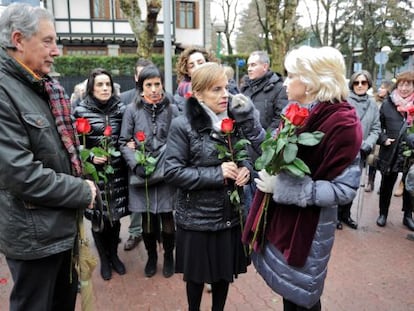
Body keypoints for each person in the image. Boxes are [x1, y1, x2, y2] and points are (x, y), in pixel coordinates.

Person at [244, 46, 362, 310]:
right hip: (286, 223)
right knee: (292, 296)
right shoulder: (301, 111)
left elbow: (344, 190)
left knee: (302, 301)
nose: (285, 81)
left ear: (310, 80)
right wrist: (249, 119)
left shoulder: (342, 124)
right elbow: (273, 150)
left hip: (306, 231)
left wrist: (282, 187)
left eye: (291, 75)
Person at [0, 3, 97, 310]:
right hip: (34, 238)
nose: (56, 50)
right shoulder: (5, 91)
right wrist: (81, 191)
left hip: (57, 229)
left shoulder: (40, 85)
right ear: (18, 40)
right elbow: (21, 174)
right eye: (48, 41)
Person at [164, 62, 264, 311]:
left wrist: (245, 171)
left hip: (228, 216)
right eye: (216, 89)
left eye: (226, 87)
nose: (225, 95)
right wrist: (216, 174)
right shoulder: (182, 125)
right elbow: (172, 172)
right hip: (196, 218)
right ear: (197, 94)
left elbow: (246, 156)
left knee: (223, 275)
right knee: (196, 278)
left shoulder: (232, 121)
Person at [119, 65, 179, 278]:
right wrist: (136, 163)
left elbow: (180, 138)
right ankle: (152, 257)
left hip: (165, 174)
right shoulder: (131, 110)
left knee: (166, 216)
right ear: (140, 87)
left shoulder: (172, 109)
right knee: (147, 219)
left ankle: (169, 256)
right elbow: (124, 142)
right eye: (148, 85)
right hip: (141, 174)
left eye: (157, 84)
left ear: (162, 84)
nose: (154, 89)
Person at [73, 68, 129, 280]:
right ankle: (104, 259)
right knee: (99, 217)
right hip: (95, 175)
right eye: (100, 85)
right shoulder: (80, 111)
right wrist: (88, 158)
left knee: (115, 218)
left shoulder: (121, 109)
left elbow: (127, 134)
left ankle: (114, 255)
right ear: (91, 87)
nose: (105, 88)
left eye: (108, 84)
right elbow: (72, 143)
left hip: (117, 173)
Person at [336, 70, 381, 230]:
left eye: (364, 82)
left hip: (362, 151)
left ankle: (346, 214)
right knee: (339, 181)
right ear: (352, 84)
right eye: (357, 82)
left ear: (368, 84)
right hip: (344, 150)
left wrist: (368, 144)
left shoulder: (373, 105)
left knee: (353, 183)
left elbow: (376, 128)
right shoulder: (344, 101)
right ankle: (335, 215)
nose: (360, 85)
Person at [120, 58, 154, 251]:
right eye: (140, 74)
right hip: (134, 159)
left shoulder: (162, 97)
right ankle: (135, 232)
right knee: (137, 197)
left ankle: (155, 233)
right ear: (135, 77)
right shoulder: (125, 98)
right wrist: (126, 143)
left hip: (156, 157)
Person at [376, 70, 414, 231]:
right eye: (401, 84)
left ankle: (408, 216)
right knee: (386, 184)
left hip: (410, 153)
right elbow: (377, 126)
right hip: (390, 150)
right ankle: (383, 213)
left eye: (408, 84)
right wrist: (383, 139)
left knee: (410, 185)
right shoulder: (388, 104)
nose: (404, 88)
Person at [240, 50, 288, 133]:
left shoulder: (279, 88)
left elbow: (280, 118)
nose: (249, 69)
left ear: (265, 66)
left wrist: (266, 140)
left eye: (253, 65)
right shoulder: (245, 88)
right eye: (248, 66)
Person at [365, 80, 394, 193]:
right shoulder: (374, 101)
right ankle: (370, 182)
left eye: (384, 88)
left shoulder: (391, 103)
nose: (381, 90)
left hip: (385, 135)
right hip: (373, 133)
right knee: (372, 160)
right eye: (380, 87)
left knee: (382, 161)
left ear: (389, 90)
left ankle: (382, 185)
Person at [174, 46, 218, 111]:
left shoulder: (221, 85)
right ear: (187, 72)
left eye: (200, 63)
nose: (197, 67)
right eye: (191, 66)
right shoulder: (179, 96)